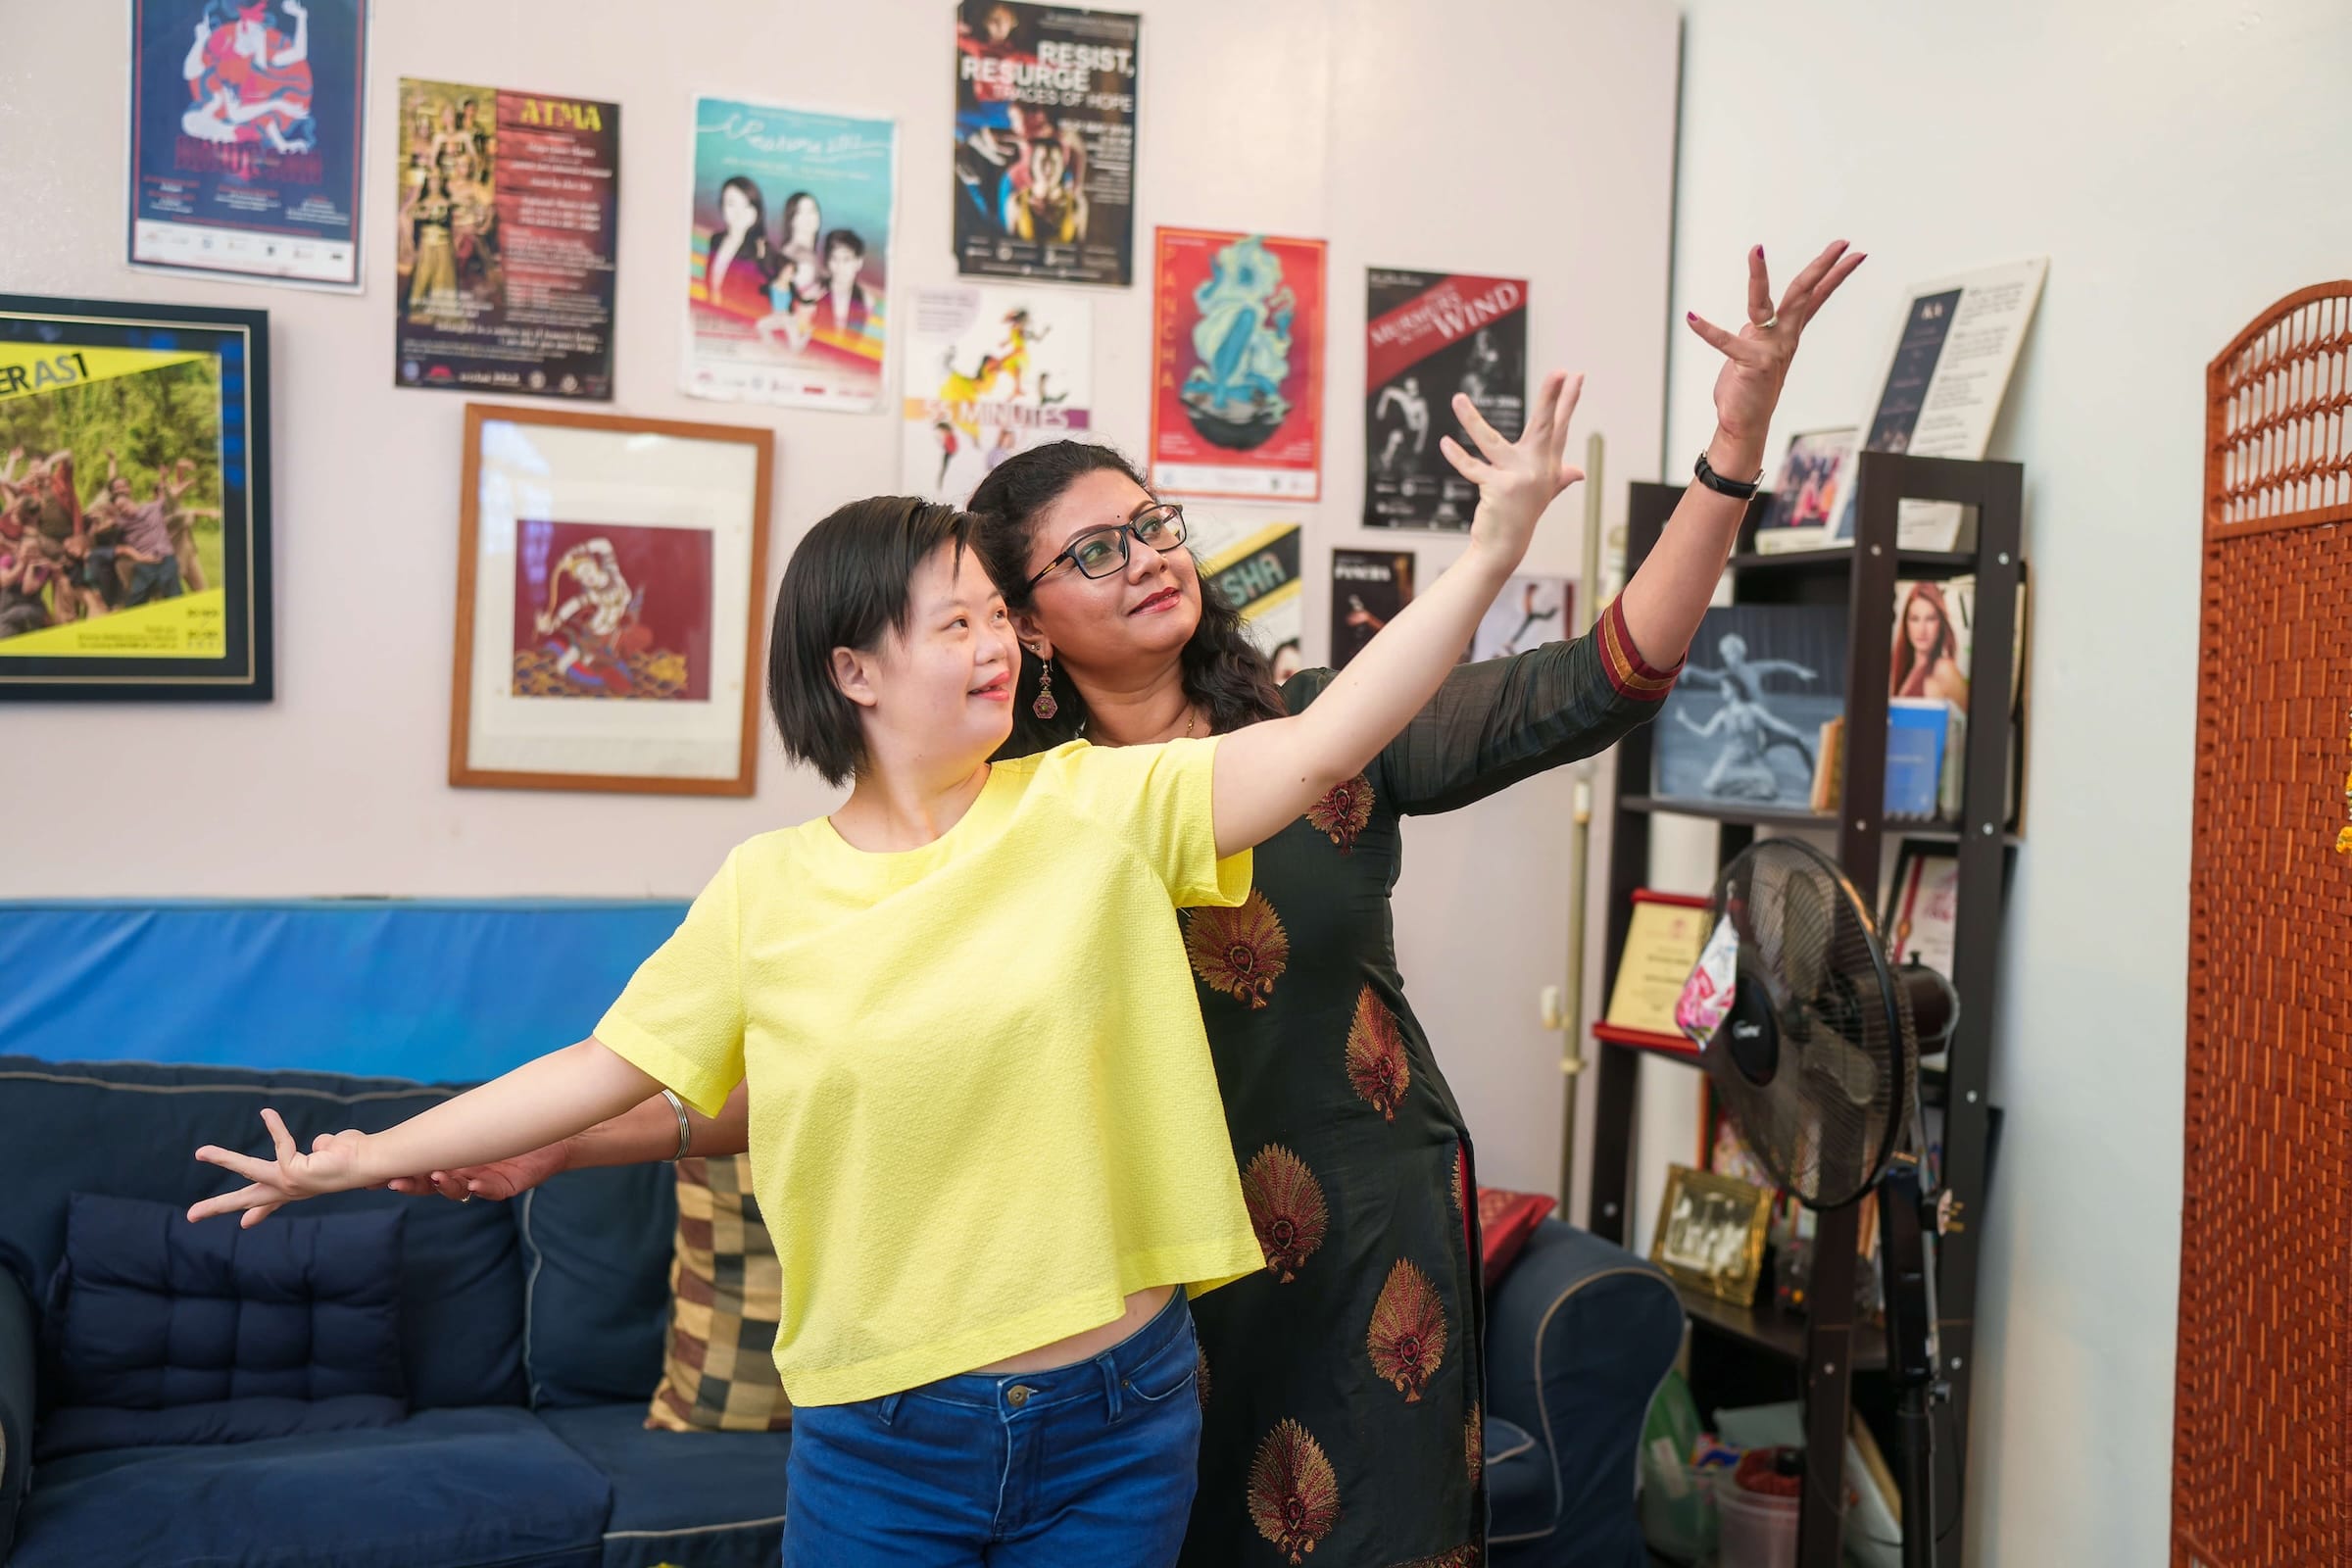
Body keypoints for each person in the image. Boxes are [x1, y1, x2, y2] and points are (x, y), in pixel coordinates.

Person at [370, 241, 1866, 1566]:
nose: (1150, 557)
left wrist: (1730, 452)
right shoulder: (1002, 812)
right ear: (1015, 619)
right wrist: (564, 1140)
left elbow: (1610, 671)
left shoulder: (1323, 741)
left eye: (1152, 523)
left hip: (1359, 1255)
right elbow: (824, 1074)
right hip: (1121, 1289)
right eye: (1094, 550)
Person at [185, 367, 1592, 1565]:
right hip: (883, 1443)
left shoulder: (1093, 811)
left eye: (999, 614)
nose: (996, 644)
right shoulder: (768, 893)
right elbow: (603, 1069)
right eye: (955, 622)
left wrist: (1487, 553)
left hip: (1123, 1414)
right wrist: (360, 1161)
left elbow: (1328, 740)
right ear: (855, 669)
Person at [703, 174, 777, 318]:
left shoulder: (762, 249)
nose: (738, 212)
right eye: (731, 204)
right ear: (722, 206)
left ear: (756, 210)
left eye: (746, 205)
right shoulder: (716, 240)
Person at [1891, 580, 1969, 704]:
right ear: (1906, 624)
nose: (1922, 630)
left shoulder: (1943, 669)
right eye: (1914, 619)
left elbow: (1980, 714)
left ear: (1940, 624)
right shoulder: (1904, 668)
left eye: (1930, 619)